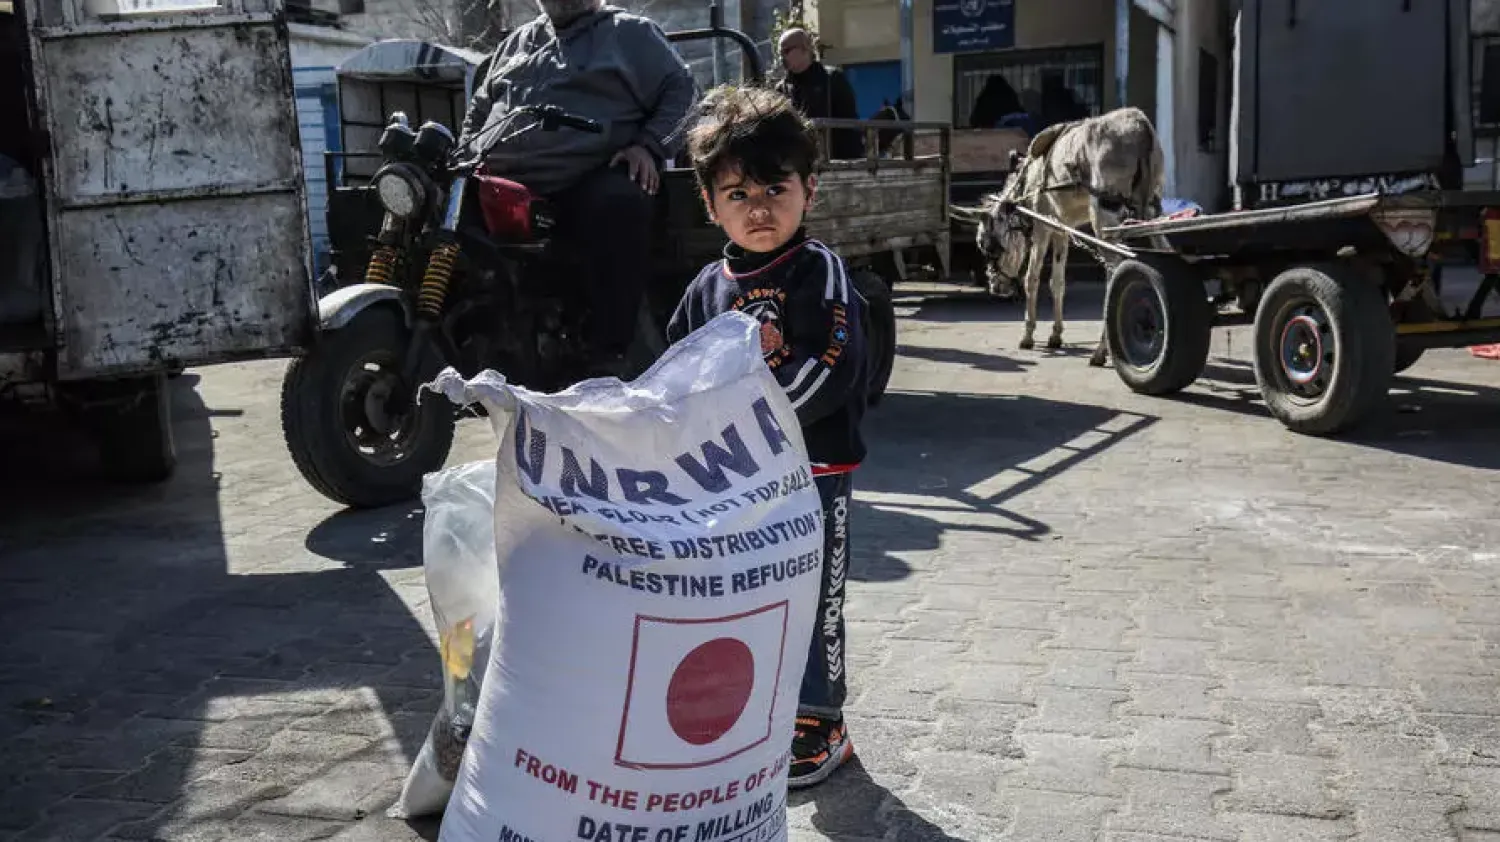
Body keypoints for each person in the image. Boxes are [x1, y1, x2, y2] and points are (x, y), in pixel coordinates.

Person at [666, 85, 867, 789]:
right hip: (736, 483)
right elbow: (676, 376)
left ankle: (821, 718)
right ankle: (757, 707)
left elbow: (833, 366)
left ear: (809, 191)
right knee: (746, 591)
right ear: (710, 204)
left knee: (817, 595)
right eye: (737, 193)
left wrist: (756, 432)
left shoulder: (819, 273)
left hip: (816, 472)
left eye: (775, 188)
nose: (759, 207)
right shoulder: (705, 288)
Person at [457, 0, 695, 374]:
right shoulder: (515, 43)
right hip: (501, 183)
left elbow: (682, 89)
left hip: (585, 175)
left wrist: (648, 145)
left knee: (619, 203)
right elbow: (480, 109)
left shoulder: (630, 33)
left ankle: (610, 351)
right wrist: (467, 156)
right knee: (429, 203)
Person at [774, 28, 864, 161]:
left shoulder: (832, 79)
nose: (782, 58)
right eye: (780, 53)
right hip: (799, 165)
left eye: (786, 51)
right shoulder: (781, 89)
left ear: (805, 48)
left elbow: (849, 125)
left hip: (834, 163)